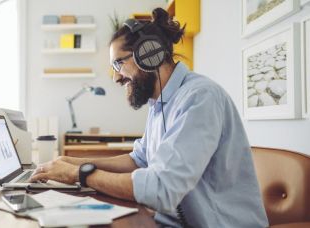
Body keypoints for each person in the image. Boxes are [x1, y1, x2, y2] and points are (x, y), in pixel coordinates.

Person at [30, 7, 269, 228]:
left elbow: (161, 190)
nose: (116, 78)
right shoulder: (160, 102)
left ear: (148, 54)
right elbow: (139, 159)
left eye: (118, 64)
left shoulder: (199, 98)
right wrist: (74, 163)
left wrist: (80, 175)